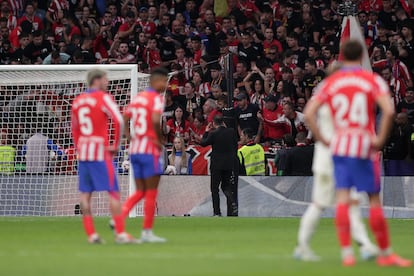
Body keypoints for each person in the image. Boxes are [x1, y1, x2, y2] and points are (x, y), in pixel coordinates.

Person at [305, 40, 411, 267]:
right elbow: (389, 110)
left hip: (340, 147)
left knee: (342, 198)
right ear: (363, 55)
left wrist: (323, 138)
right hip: (364, 146)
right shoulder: (371, 80)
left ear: (342, 56)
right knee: (373, 199)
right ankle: (386, 253)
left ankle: (347, 254)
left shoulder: (331, 83)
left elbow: (308, 112)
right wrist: (380, 138)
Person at [71, 68, 133, 244]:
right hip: (100, 150)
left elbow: (74, 128)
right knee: (113, 191)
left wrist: (79, 148)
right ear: (96, 80)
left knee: (85, 194)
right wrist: (116, 144)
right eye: (105, 79)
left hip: (83, 152)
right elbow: (119, 119)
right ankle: (120, 234)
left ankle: (92, 235)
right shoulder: (103, 97)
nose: (107, 82)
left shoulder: (78, 101)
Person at [121, 67, 169, 243]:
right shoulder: (155, 99)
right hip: (149, 150)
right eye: (164, 81)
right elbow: (156, 120)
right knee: (150, 192)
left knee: (141, 190)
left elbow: (124, 119)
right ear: (156, 81)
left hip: (135, 150)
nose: (165, 85)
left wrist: (129, 137)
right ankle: (147, 232)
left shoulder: (138, 98)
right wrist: (158, 139)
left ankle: (118, 218)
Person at [200, 116, 238, 217]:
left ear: (213, 124)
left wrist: (206, 132)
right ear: (223, 123)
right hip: (229, 164)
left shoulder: (213, 134)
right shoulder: (231, 132)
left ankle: (217, 212)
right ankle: (232, 203)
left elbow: (203, 143)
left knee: (214, 188)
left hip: (216, 164)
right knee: (226, 186)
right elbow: (235, 146)